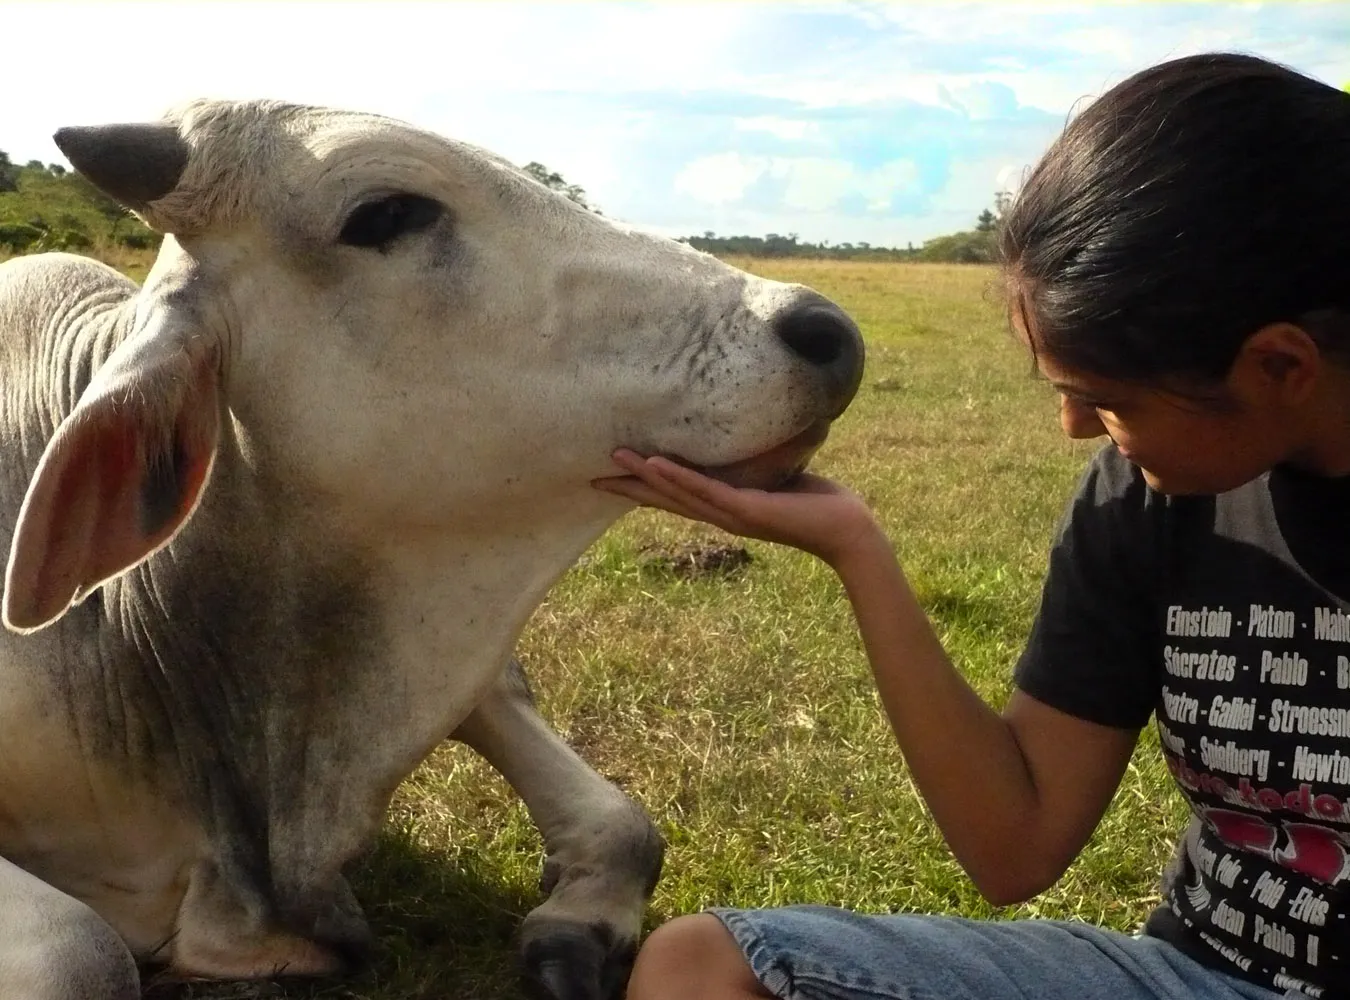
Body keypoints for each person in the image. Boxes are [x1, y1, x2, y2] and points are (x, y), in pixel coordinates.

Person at [592, 52, 1350, 1000]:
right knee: (704, 966)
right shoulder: (1144, 498)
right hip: (1200, 978)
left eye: (1104, 399)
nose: (1074, 429)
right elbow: (1015, 841)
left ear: (1281, 368)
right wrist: (856, 549)